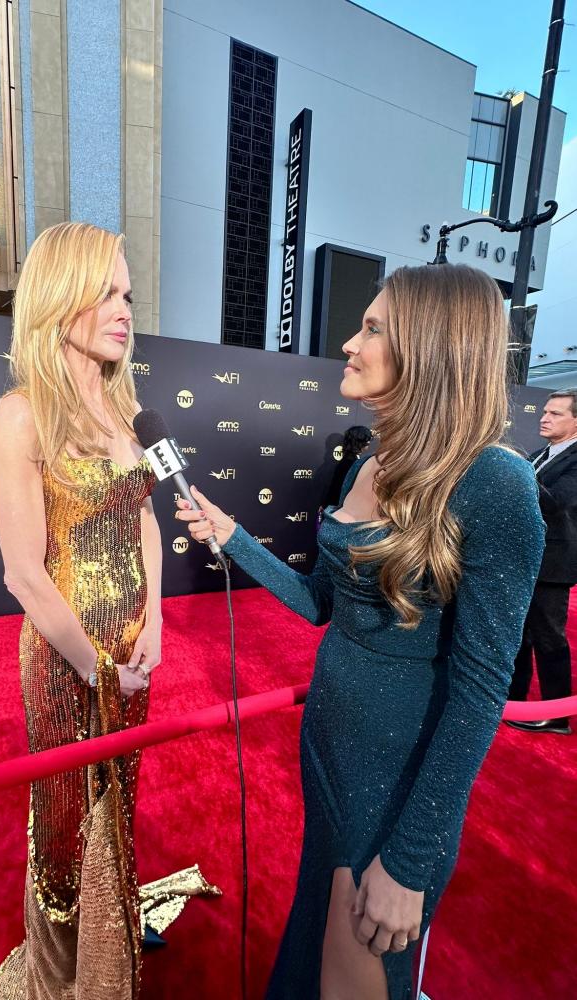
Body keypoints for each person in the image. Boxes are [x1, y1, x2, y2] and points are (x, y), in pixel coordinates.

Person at [175, 264, 545, 1000]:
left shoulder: (496, 484)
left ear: (429, 349)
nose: (348, 342)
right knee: (314, 952)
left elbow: (480, 691)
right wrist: (235, 539)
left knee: (354, 977)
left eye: (371, 327)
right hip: (330, 757)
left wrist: (409, 861)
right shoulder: (372, 463)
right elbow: (321, 603)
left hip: (398, 782)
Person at [0, 222, 162, 1000]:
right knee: (65, 817)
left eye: (128, 292)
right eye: (109, 291)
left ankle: (109, 955)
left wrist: (156, 623)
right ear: (63, 296)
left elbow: (148, 520)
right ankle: (64, 979)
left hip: (132, 658)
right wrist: (98, 672)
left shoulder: (129, 412)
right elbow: (24, 574)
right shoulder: (22, 414)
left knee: (119, 799)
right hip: (69, 666)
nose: (126, 307)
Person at [507, 389, 577, 735]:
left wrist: (510, 481)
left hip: (552, 565)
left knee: (549, 637)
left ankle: (557, 713)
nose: (544, 418)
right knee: (518, 635)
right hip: (523, 560)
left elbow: (558, 501)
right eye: (544, 412)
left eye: (555, 413)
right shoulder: (538, 455)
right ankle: (513, 697)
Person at [318, 425, 373, 513]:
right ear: (360, 441)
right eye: (368, 439)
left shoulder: (349, 460)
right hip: (343, 509)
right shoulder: (351, 462)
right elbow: (337, 486)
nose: (369, 442)